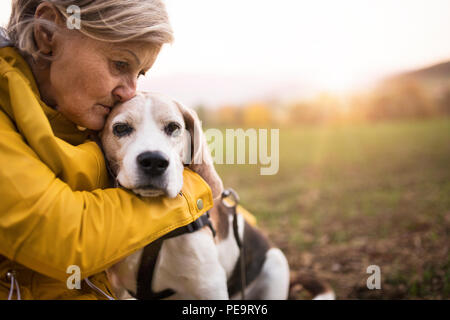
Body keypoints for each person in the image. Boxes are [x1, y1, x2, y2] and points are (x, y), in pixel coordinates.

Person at [0, 0, 213, 299]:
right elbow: (68, 237)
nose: (129, 91)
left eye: (139, 74)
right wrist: (190, 189)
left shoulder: (79, 117)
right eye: (120, 64)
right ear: (47, 34)